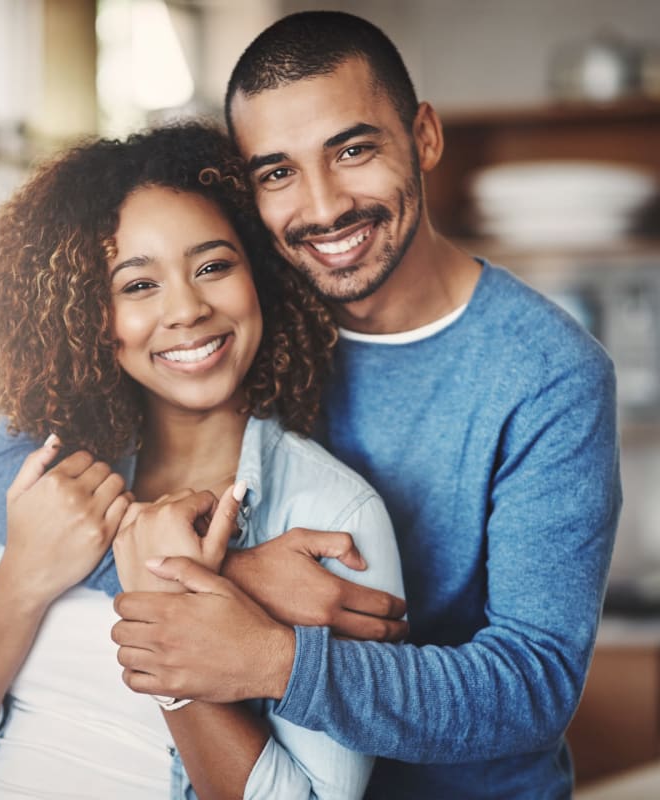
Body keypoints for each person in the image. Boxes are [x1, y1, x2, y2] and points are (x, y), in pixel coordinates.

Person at [106, 11, 623, 800]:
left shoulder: (548, 372)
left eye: (352, 150)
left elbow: (532, 688)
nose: (322, 206)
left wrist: (272, 656)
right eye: (277, 172)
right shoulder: (235, 328)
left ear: (423, 137)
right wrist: (239, 581)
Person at [0, 122, 406, 799]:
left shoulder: (330, 517)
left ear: (262, 276)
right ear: (91, 315)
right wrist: (25, 576)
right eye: (138, 285)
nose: (185, 308)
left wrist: (167, 620)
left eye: (213, 266)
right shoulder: (35, 474)